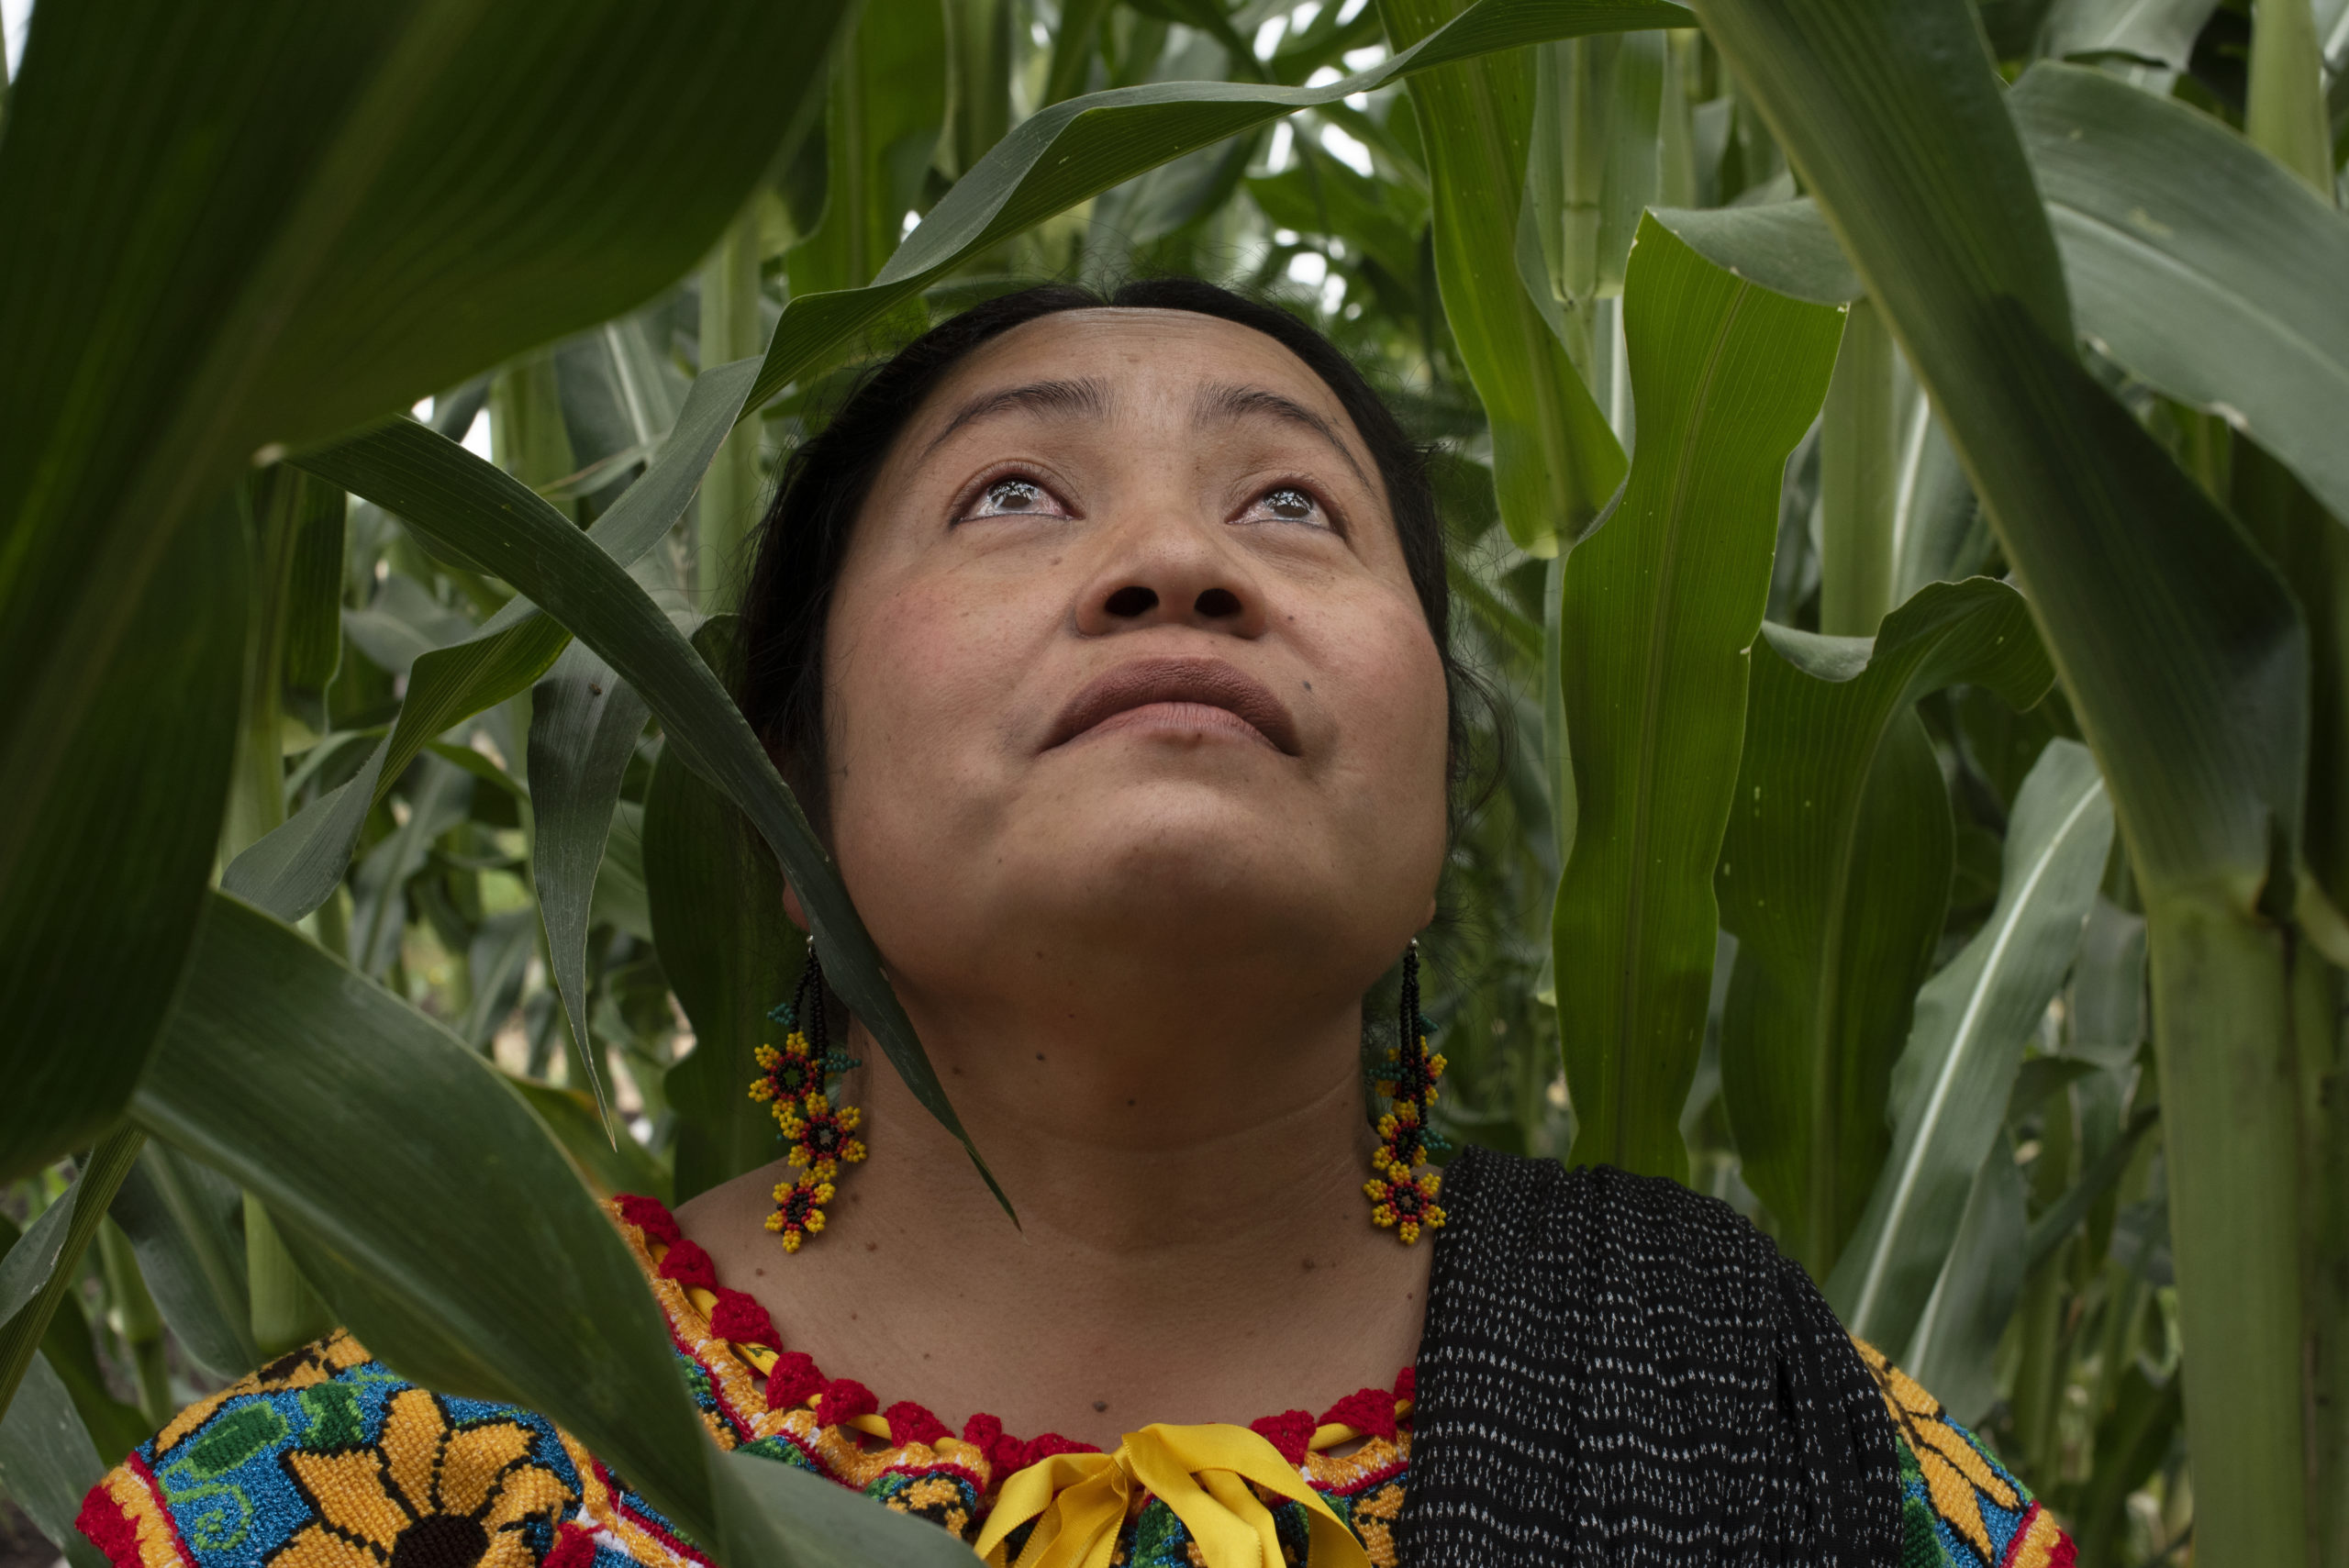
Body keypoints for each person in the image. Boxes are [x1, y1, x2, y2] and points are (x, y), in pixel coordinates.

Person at [76, 281, 2072, 1568]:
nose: (1177, 562)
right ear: (788, 794)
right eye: (1016, 493)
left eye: (1291, 505)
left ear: (1443, 791)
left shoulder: (1780, 1434)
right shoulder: (401, 1463)